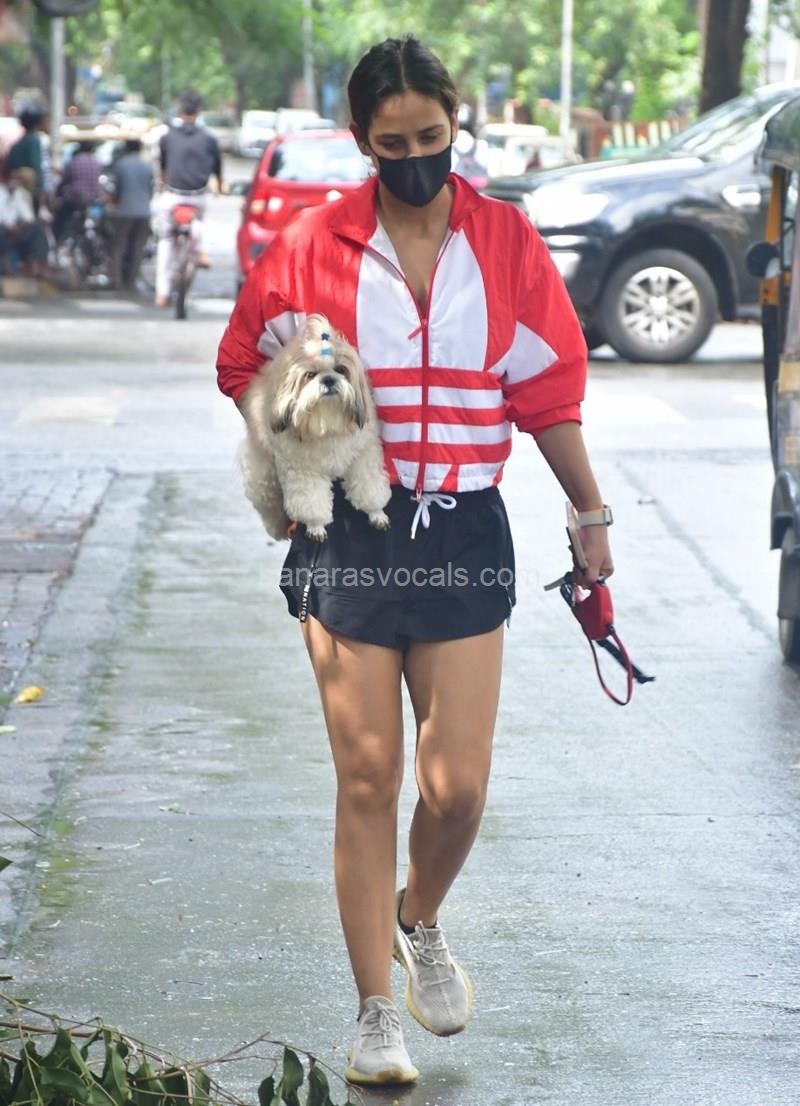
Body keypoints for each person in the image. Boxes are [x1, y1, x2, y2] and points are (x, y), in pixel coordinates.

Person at [216, 36, 614, 1087]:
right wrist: (292, 439)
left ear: (455, 123)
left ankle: (418, 915)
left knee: (457, 787)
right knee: (367, 775)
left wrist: (588, 510)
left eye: (430, 138)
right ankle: (373, 1012)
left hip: (463, 529)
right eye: (390, 145)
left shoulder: (505, 241)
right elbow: (240, 363)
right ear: (361, 140)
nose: (413, 160)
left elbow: (546, 392)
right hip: (350, 530)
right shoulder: (314, 246)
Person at [154, 88, 222, 307]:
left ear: (179, 109)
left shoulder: (167, 137)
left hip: (172, 197)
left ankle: (162, 293)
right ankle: (202, 250)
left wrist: (163, 182)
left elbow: (163, 169)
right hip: (198, 197)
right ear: (199, 110)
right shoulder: (209, 139)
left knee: (166, 241)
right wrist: (220, 185)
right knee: (202, 221)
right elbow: (217, 169)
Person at [108, 137, 154, 291]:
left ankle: (116, 280)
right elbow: (150, 189)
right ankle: (132, 280)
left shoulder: (121, 164)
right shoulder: (146, 166)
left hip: (125, 210)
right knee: (138, 247)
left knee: (119, 245)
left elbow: (117, 190)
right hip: (144, 210)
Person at [53, 139, 102, 241]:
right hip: (93, 199)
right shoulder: (97, 162)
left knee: (60, 219)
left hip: (75, 198)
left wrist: (58, 193)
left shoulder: (74, 161)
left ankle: (57, 239)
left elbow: (65, 180)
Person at [0, 174, 48, 277]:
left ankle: (36, 265)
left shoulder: (19, 194)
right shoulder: (1, 193)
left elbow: (28, 217)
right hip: (3, 230)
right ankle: (5, 265)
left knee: (36, 229)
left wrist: (20, 228)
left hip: (15, 231)